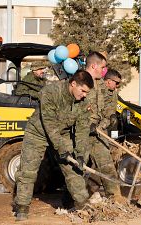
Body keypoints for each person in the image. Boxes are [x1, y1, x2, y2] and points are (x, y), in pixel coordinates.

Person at [14, 70, 94, 221]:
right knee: (28, 171)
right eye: (83, 90)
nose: (84, 95)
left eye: (87, 92)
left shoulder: (84, 102)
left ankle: (82, 204)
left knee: (74, 169)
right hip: (38, 133)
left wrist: (81, 153)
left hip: (62, 134)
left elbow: (82, 129)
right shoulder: (50, 91)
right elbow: (49, 124)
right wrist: (61, 148)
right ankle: (22, 207)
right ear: (73, 84)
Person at [85, 52, 124, 202]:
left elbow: (105, 106)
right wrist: (87, 123)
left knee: (106, 163)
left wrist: (111, 115)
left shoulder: (100, 83)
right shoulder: (79, 80)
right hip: (83, 132)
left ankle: (115, 196)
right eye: (102, 67)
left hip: (98, 131)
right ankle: (74, 199)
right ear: (94, 65)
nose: (104, 70)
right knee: (76, 168)